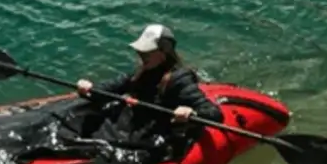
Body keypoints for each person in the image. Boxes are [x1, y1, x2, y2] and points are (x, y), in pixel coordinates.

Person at [74, 24, 224, 151]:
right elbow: (115, 85)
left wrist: (192, 113)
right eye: (140, 51)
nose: (141, 55)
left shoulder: (180, 79)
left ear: (164, 53)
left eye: (147, 52)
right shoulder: (143, 70)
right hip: (137, 123)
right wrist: (91, 89)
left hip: (156, 131)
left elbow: (214, 113)